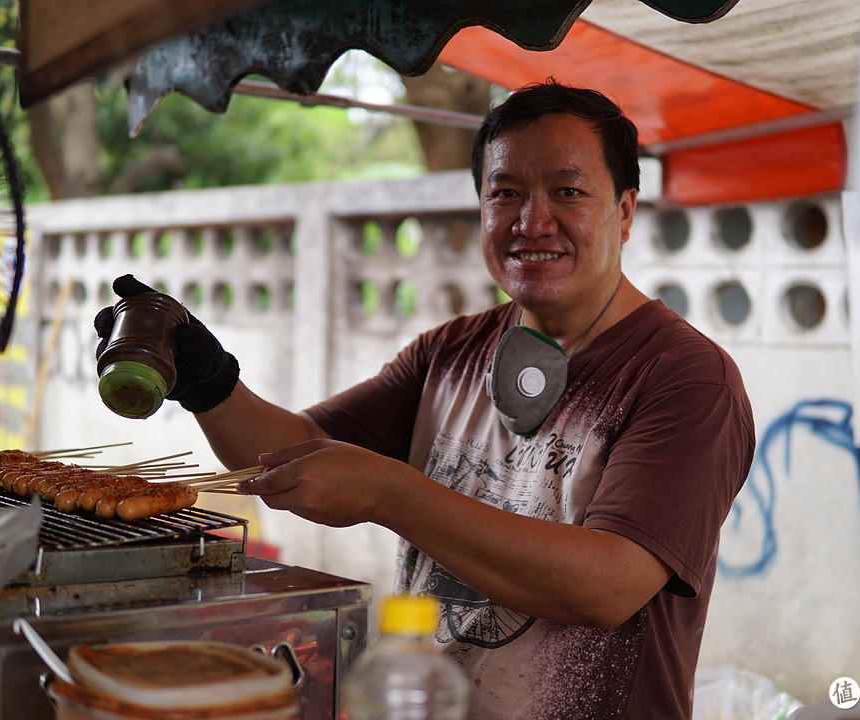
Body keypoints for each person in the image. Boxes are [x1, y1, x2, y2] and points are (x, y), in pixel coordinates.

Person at [95, 78, 755, 719]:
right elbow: (292, 454)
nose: (532, 221)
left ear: (626, 210)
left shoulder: (687, 379)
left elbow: (607, 584)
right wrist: (212, 384)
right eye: (505, 194)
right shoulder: (449, 353)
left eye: (568, 191)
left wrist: (394, 494)